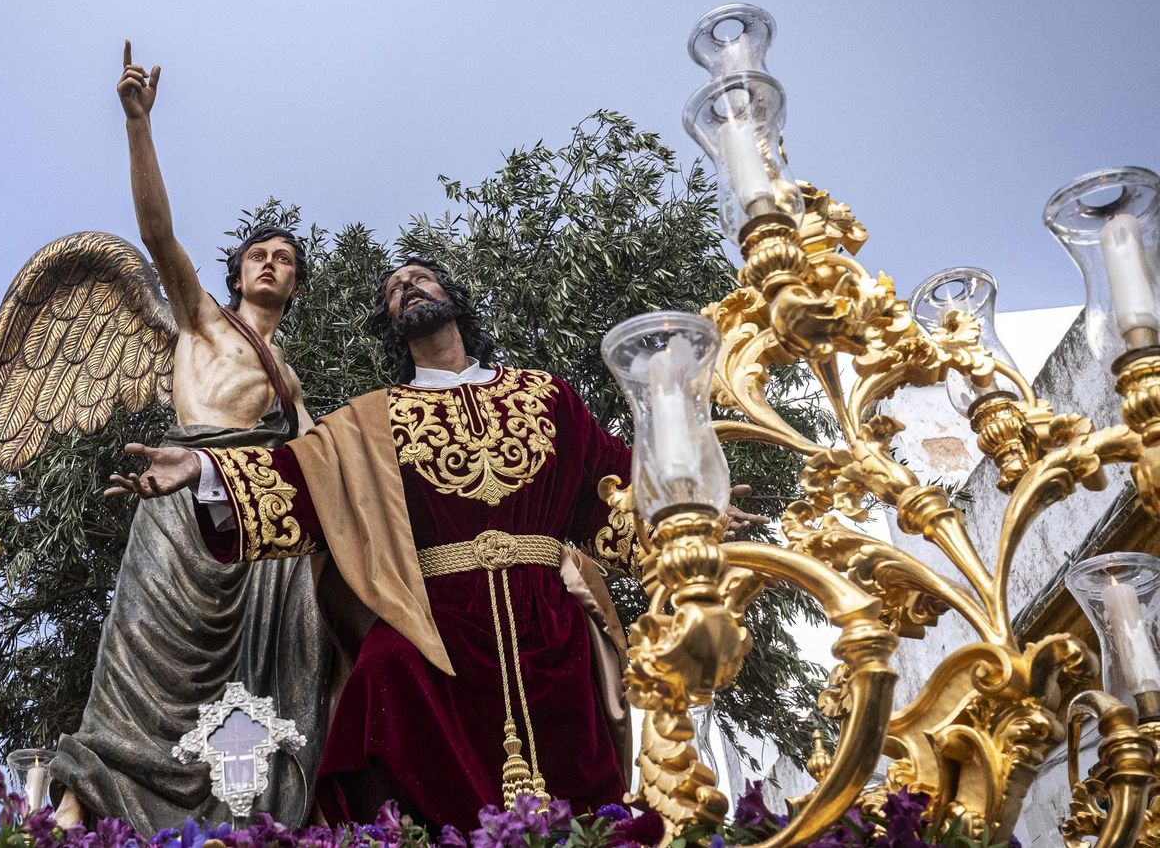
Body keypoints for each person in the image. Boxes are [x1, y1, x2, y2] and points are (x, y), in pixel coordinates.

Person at [108, 256, 765, 830]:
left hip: (549, 631)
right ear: (391, 323)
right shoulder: (372, 422)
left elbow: (614, 489)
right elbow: (302, 480)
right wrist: (204, 470)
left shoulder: (547, 397)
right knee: (380, 682)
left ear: (455, 300)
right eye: (395, 289)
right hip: (437, 632)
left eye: (420, 278)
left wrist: (690, 511)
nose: (409, 288)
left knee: (585, 802)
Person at [50, 42, 329, 830]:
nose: (270, 265)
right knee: (139, 653)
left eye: (285, 261)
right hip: (179, 503)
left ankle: (234, 819)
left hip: (254, 533)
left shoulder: (291, 380)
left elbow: (316, 467)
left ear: (296, 285)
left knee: (253, 685)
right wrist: (140, 126)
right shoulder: (204, 320)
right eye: (259, 256)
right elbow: (155, 227)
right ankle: (77, 810)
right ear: (237, 272)